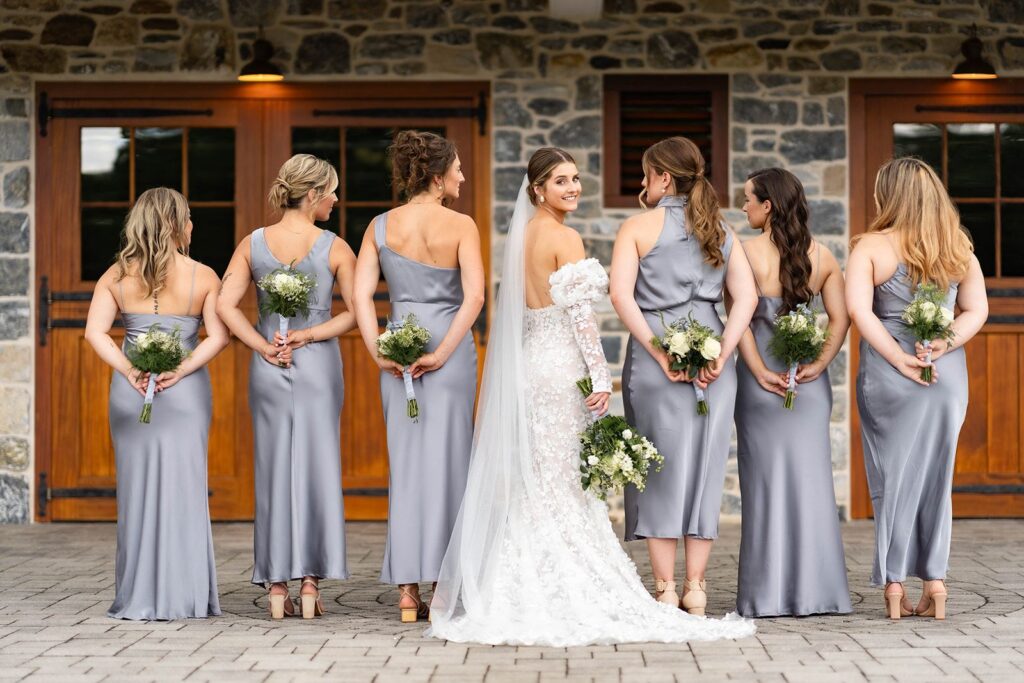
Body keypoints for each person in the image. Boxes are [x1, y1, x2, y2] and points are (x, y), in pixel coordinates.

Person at [427, 147, 755, 645]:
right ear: (537, 188)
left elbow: (540, 312)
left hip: (533, 364)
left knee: (539, 479)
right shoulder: (568, 236)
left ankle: (532, 582)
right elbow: (582, 321)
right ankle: (691, 587)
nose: (575, 187)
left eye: (576, 178)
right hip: (566, 367)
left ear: (663, 178)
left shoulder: (524, 239)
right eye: (562, 181)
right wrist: (600, 378)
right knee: (566, 481)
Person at [609, 137, 757, 615]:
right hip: (715, 361)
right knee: (706, 468)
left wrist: (656, 351)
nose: (642, 183)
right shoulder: (722, 230)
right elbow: (747, 299)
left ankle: (665, 587)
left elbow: (621, 297)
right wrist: (723, 353)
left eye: (647, 174)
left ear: (664, 178)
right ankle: (697, 588)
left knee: (657, 469)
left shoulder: (635, 227)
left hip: (657, 362)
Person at [847, 157, 987, 619]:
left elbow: (860, 313)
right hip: (945, 375)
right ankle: (936, 582)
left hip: (890, 373)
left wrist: (899, 358)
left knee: (891, 478)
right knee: (936, 478)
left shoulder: (870, 247)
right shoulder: (958, 247)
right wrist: (942, 345)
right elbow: (976, 311)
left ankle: (893, 584)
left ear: (890, 195)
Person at [217, 154, 357, 619]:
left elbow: (225, 305)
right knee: (319, 464)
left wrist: (262, 345)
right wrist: (308, 334)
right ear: (314, 194)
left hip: (269, 366)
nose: (336, 200)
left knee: (273, 467)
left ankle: (277, 585)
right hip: (317, 364)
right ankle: (312, 583)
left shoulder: (252, 243)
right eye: (331, 191)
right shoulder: (335, 246)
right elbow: (356, 313)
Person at [353, 131, 484, 622]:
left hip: (399, 348)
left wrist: (377, 349)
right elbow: (473, 298)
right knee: (451, 465)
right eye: (457, 170)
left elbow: (363, 295)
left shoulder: (380, 226)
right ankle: (445, 590)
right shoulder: (461, 225)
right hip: (448, 349)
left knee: (406, 466)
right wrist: (444, 352)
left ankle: (408, 592)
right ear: (436, 176)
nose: (462, 178)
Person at [85, 187, 228, 620]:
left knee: (137, 491)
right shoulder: (204, 275)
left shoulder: (115, 276)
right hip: (183, 392)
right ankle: (183, 596)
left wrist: (130, 371)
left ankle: (139, 595)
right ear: (175, 224)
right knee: (185, 487)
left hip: (132, 394)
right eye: (187, 218)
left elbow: (95, 334)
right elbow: (219, 337)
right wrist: (181, 369)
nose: (192, 226)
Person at [734, 168, 851, 617]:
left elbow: (739, 318)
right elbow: (840, 319)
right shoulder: (821, 256)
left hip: (761, 383)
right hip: (807, 384)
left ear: (767, 206)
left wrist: (759, 368)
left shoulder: (744, 254)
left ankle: (765, 597)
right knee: (811, 485)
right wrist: (820, 364)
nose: (743, 207)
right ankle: (817, 594)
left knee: (764, 486)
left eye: (747, 199)